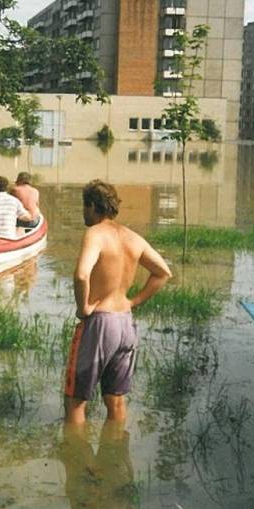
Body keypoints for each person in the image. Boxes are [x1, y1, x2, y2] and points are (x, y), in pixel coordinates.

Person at [64, 179, 172, 425]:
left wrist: (83, 309)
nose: (83, 212)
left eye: (84, 206)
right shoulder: (133, 237)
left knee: (75, 400)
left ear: (92, 206)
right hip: (125, 323)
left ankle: (75, 458)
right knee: (116, 400)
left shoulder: (94, 234)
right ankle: (114, 456)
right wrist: (134, 301)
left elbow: (81, 274)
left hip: (100, 323)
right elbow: (163, 273)